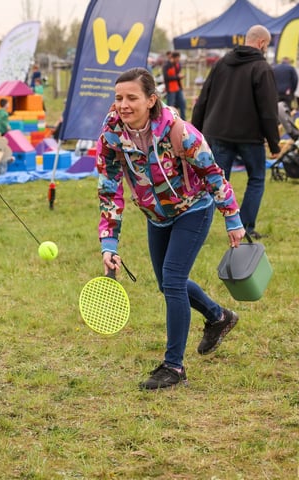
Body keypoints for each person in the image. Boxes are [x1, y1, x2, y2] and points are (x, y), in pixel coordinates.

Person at [97, 67, 246, 390]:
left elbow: (213, 173)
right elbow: (109, 186)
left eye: (132, 97)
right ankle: (219, 316)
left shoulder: (180, 132)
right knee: (167, 283)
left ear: (151, 100)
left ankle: (174, 367)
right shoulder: (111, 135)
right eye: (119, 97)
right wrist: (109, 242)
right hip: (156, 216)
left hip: (193, 209)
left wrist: (232, 218)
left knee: (174, 281)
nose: (123, 104)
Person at [192, 25, 280, 239]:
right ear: (261, 43)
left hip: (217, 132)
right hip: (249, 136)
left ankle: (196, 229)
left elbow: (202, 99)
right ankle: (247, 227)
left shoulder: (222, 63)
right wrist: (274, 143)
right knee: (257, 178)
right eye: (266, 45)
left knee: (215, 182)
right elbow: (268, 110)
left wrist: (195, 132)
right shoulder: (262, 68)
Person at [162, 51, 186, 120]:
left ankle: (183, 120)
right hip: (171, 89)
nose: (178, 60)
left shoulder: (177, 65)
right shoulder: (166, 66)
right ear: (173, 58)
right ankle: (169, 120)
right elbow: (166, 78)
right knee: (170, 107)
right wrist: (178, 77)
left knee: (182, 104)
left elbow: (177, 74)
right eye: (178, 58)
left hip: (178, 88)